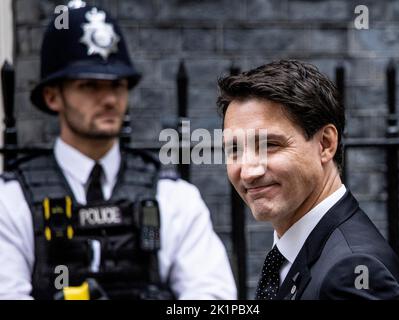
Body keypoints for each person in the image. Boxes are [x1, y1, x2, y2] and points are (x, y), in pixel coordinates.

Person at [0, 1, 236, 300]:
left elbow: (213, 297)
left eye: (118, 85)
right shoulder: (11, 200)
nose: (110, 99)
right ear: (52, 97)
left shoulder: (172, 196)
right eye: (90, 86)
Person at [217, 59, 399, 300]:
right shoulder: (301, 252)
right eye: (234, 150)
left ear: (326, 144)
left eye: (269, 145)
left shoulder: (352, 271)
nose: (248, 172)